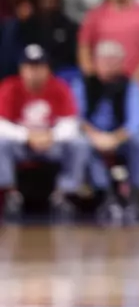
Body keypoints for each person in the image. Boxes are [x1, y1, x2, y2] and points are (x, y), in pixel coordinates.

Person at [0, 44, 89, 217]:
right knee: (1, 144)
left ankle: (64, 195)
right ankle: (9, 194)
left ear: (47, 68)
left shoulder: (59, 87)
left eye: (39, 67)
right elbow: (1, 124)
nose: (35, 72)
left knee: (80, 143)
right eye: (30, 67)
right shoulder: (10, 87)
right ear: (22, 69)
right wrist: (27, 136)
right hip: (22, 145)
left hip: (51, 145)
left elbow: (71, 123)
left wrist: (50, 136)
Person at [73, 40, 139, 218]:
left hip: (121, 137)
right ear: (95, 62)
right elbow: (77, 117)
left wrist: (115, 138)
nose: (108, 64)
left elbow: (137, 121)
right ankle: (105, 195)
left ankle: (136, 198)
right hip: (93, 136)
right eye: (104, 60)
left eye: (113, 60)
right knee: (81, 143)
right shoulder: (82, 84)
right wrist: (96, 136)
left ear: (121, 63)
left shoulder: (131, 86)